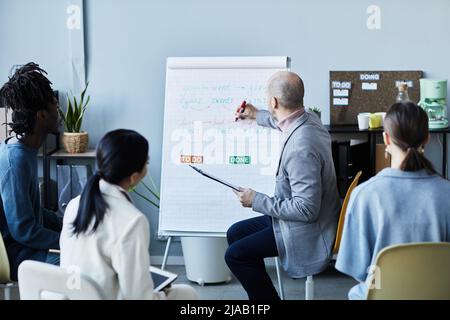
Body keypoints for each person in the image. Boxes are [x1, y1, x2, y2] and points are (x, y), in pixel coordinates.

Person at [225, 71, 341, 300]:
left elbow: (306, 210)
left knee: (236, 255)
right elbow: (280, 122)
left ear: (274, 102)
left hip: (309, 229)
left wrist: (255, 200)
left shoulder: (301, 147)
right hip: (313, 218)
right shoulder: (310, 119)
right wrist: (256, 115)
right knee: (235, 233)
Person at [60, 129, 197, 300]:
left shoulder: (75, 204)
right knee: (186, 293)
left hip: (73, 294)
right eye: (146, 163)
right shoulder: (132, 221)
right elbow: (138, 297)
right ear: (133, 177)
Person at [335, 102, 450, 300]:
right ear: (427, 138)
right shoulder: (446, 193)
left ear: (386, 138)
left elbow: (356, 268)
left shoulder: (364, 195)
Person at [0, 63, 62, 280]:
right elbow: (24, 229)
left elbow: (32, 211)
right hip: (16, 255)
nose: (59, 111)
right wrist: (67, 241)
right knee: (80, 265)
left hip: (26, 247)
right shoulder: (15, 159)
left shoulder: (24, 151)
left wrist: (67, 224)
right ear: (41, 115)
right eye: (55, 105)